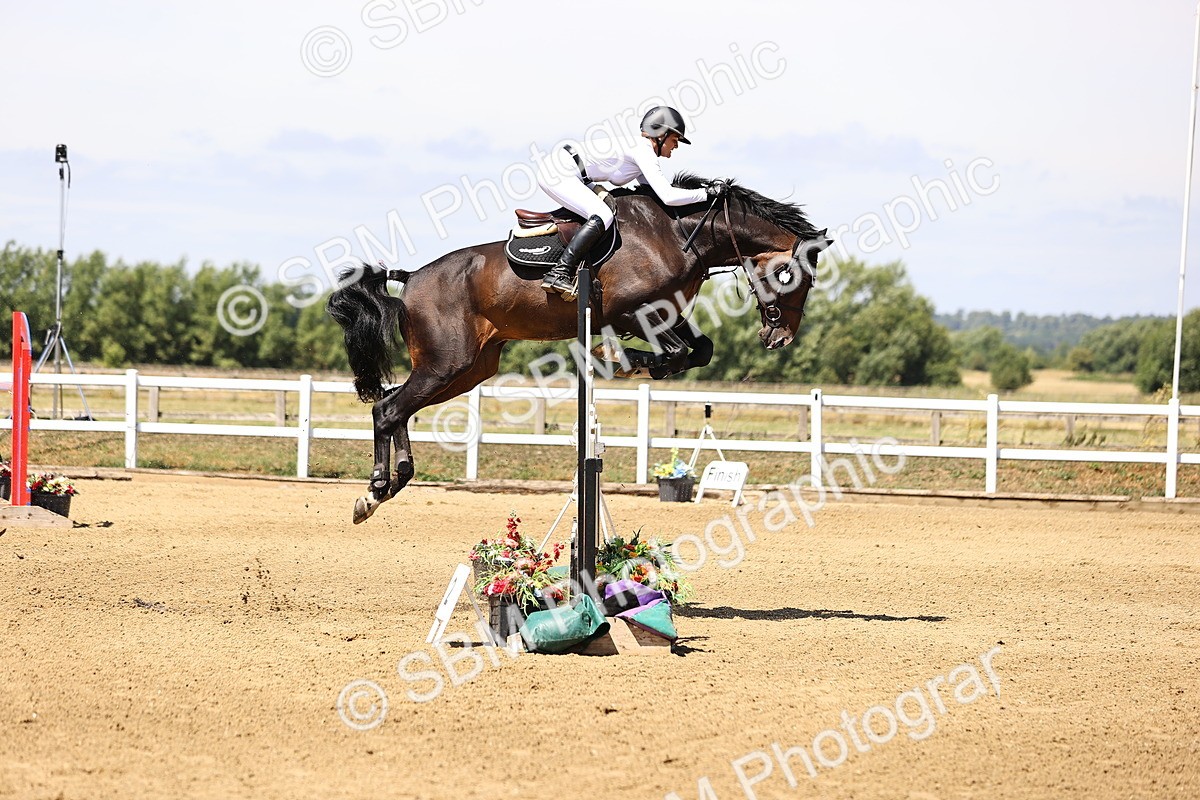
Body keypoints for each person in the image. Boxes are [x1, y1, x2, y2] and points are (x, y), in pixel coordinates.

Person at [537, 106, 727, 298]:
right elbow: (668, 196)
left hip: (575, 173)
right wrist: (707, 193)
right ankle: (559, 272)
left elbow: (655, 194)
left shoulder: (642, 151)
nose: (676, 146)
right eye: (675, 139)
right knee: (603, 214)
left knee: (605, 210)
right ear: (661, 134)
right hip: (559, 171)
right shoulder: (643, 150)